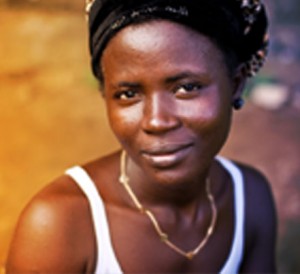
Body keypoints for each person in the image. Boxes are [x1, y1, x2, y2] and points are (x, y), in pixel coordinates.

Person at [6, 0, 277, 273]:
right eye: (128, 94)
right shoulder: (60, 226)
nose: (157, 121)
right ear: (105, 96)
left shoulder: (249, 200)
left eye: (186, 88)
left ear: (236, 83)